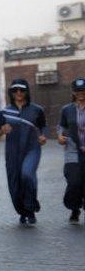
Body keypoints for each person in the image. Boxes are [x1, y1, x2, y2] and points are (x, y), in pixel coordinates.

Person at [0, 78, 47, 225]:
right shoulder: (5, 112)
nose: (18, 93)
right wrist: (1, 130)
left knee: (27, 174)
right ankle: (22, 211)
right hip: (12, 153)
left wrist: (43, 136)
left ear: (27, 91)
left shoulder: (37, 110)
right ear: (11, 92)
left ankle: (30, 209)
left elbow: (43, 127)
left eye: (22, 90)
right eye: (15, 90)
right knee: (15, 184)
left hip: (32, 149)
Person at [57, 77, 85, 223]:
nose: (81, 93)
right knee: (74, 181)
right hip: (72, 151)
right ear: (73, 92)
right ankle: (74, 208)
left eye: (83, 90)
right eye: (78, 91)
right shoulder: (67, 110)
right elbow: (62, 127)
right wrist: (60, 136)